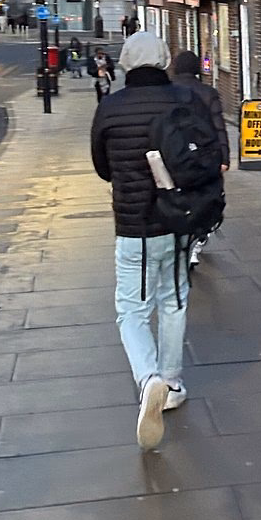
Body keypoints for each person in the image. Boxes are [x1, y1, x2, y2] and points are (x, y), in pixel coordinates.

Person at [91, 31, 191, 450]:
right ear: (165, 59)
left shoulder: (110, 107)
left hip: (133, 225)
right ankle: (170, 381)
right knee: (174, 298)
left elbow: (101, 166)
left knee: (132, 309)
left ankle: (148, 377)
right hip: (180, 221)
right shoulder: (183, 102)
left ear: (127, 64)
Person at [170, 50, 230, 267]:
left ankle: (183, 238)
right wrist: (224, 157)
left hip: (176, 154)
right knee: (207, 197)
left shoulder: (167, 92)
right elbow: (218, 126)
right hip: (206, 155)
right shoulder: (207, 92)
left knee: (180, 197)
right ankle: (199, 239)